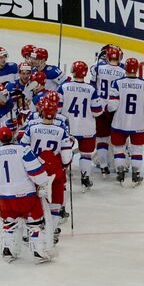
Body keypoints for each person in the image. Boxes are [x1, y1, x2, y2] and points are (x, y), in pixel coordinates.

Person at [0, 125, 54, 263]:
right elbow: (37, 172)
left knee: (9, 223)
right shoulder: (23, 150)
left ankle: (8, 250)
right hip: (26, 196)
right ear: (13, 136)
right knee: (35, 223)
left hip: (5, 198)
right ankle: (38, 251)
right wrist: (42, 184)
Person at [21, 94, 74, 244]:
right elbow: (66, 158)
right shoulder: (61, 130)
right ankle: (53, 231)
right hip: (54, 170)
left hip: (34, 169)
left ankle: (29, 232)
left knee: (32, 199)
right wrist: (63, 166)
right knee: (55, 201)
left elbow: (23, 148)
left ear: (42, 111)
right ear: (56, 112)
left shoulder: (32, 127)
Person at [107, 57, 144, 186]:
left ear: (125, 68)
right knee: (137, 150)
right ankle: (136, 174)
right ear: (137, 69)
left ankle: (120, 173)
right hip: (138, 124)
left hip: (119, 122)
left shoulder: (117, 83)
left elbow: (112, 106)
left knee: (118, 148)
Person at [57, 61, 103, 190]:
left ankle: (60, 178)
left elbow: (58, 108)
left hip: (68, 127)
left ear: (72, 71)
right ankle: (85, 178)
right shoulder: (91, 89)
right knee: (86, 154)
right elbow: (97, 111)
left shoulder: (64, 87)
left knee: (63, 153)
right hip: (86, 127)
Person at [91, 44, 126, 175]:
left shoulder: (98, 68)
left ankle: (104, 166)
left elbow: (93, 85)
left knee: (101, 138)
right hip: (115, 107)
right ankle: (120, 166)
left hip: (100, 105)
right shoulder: (123, 72)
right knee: (119, 138)